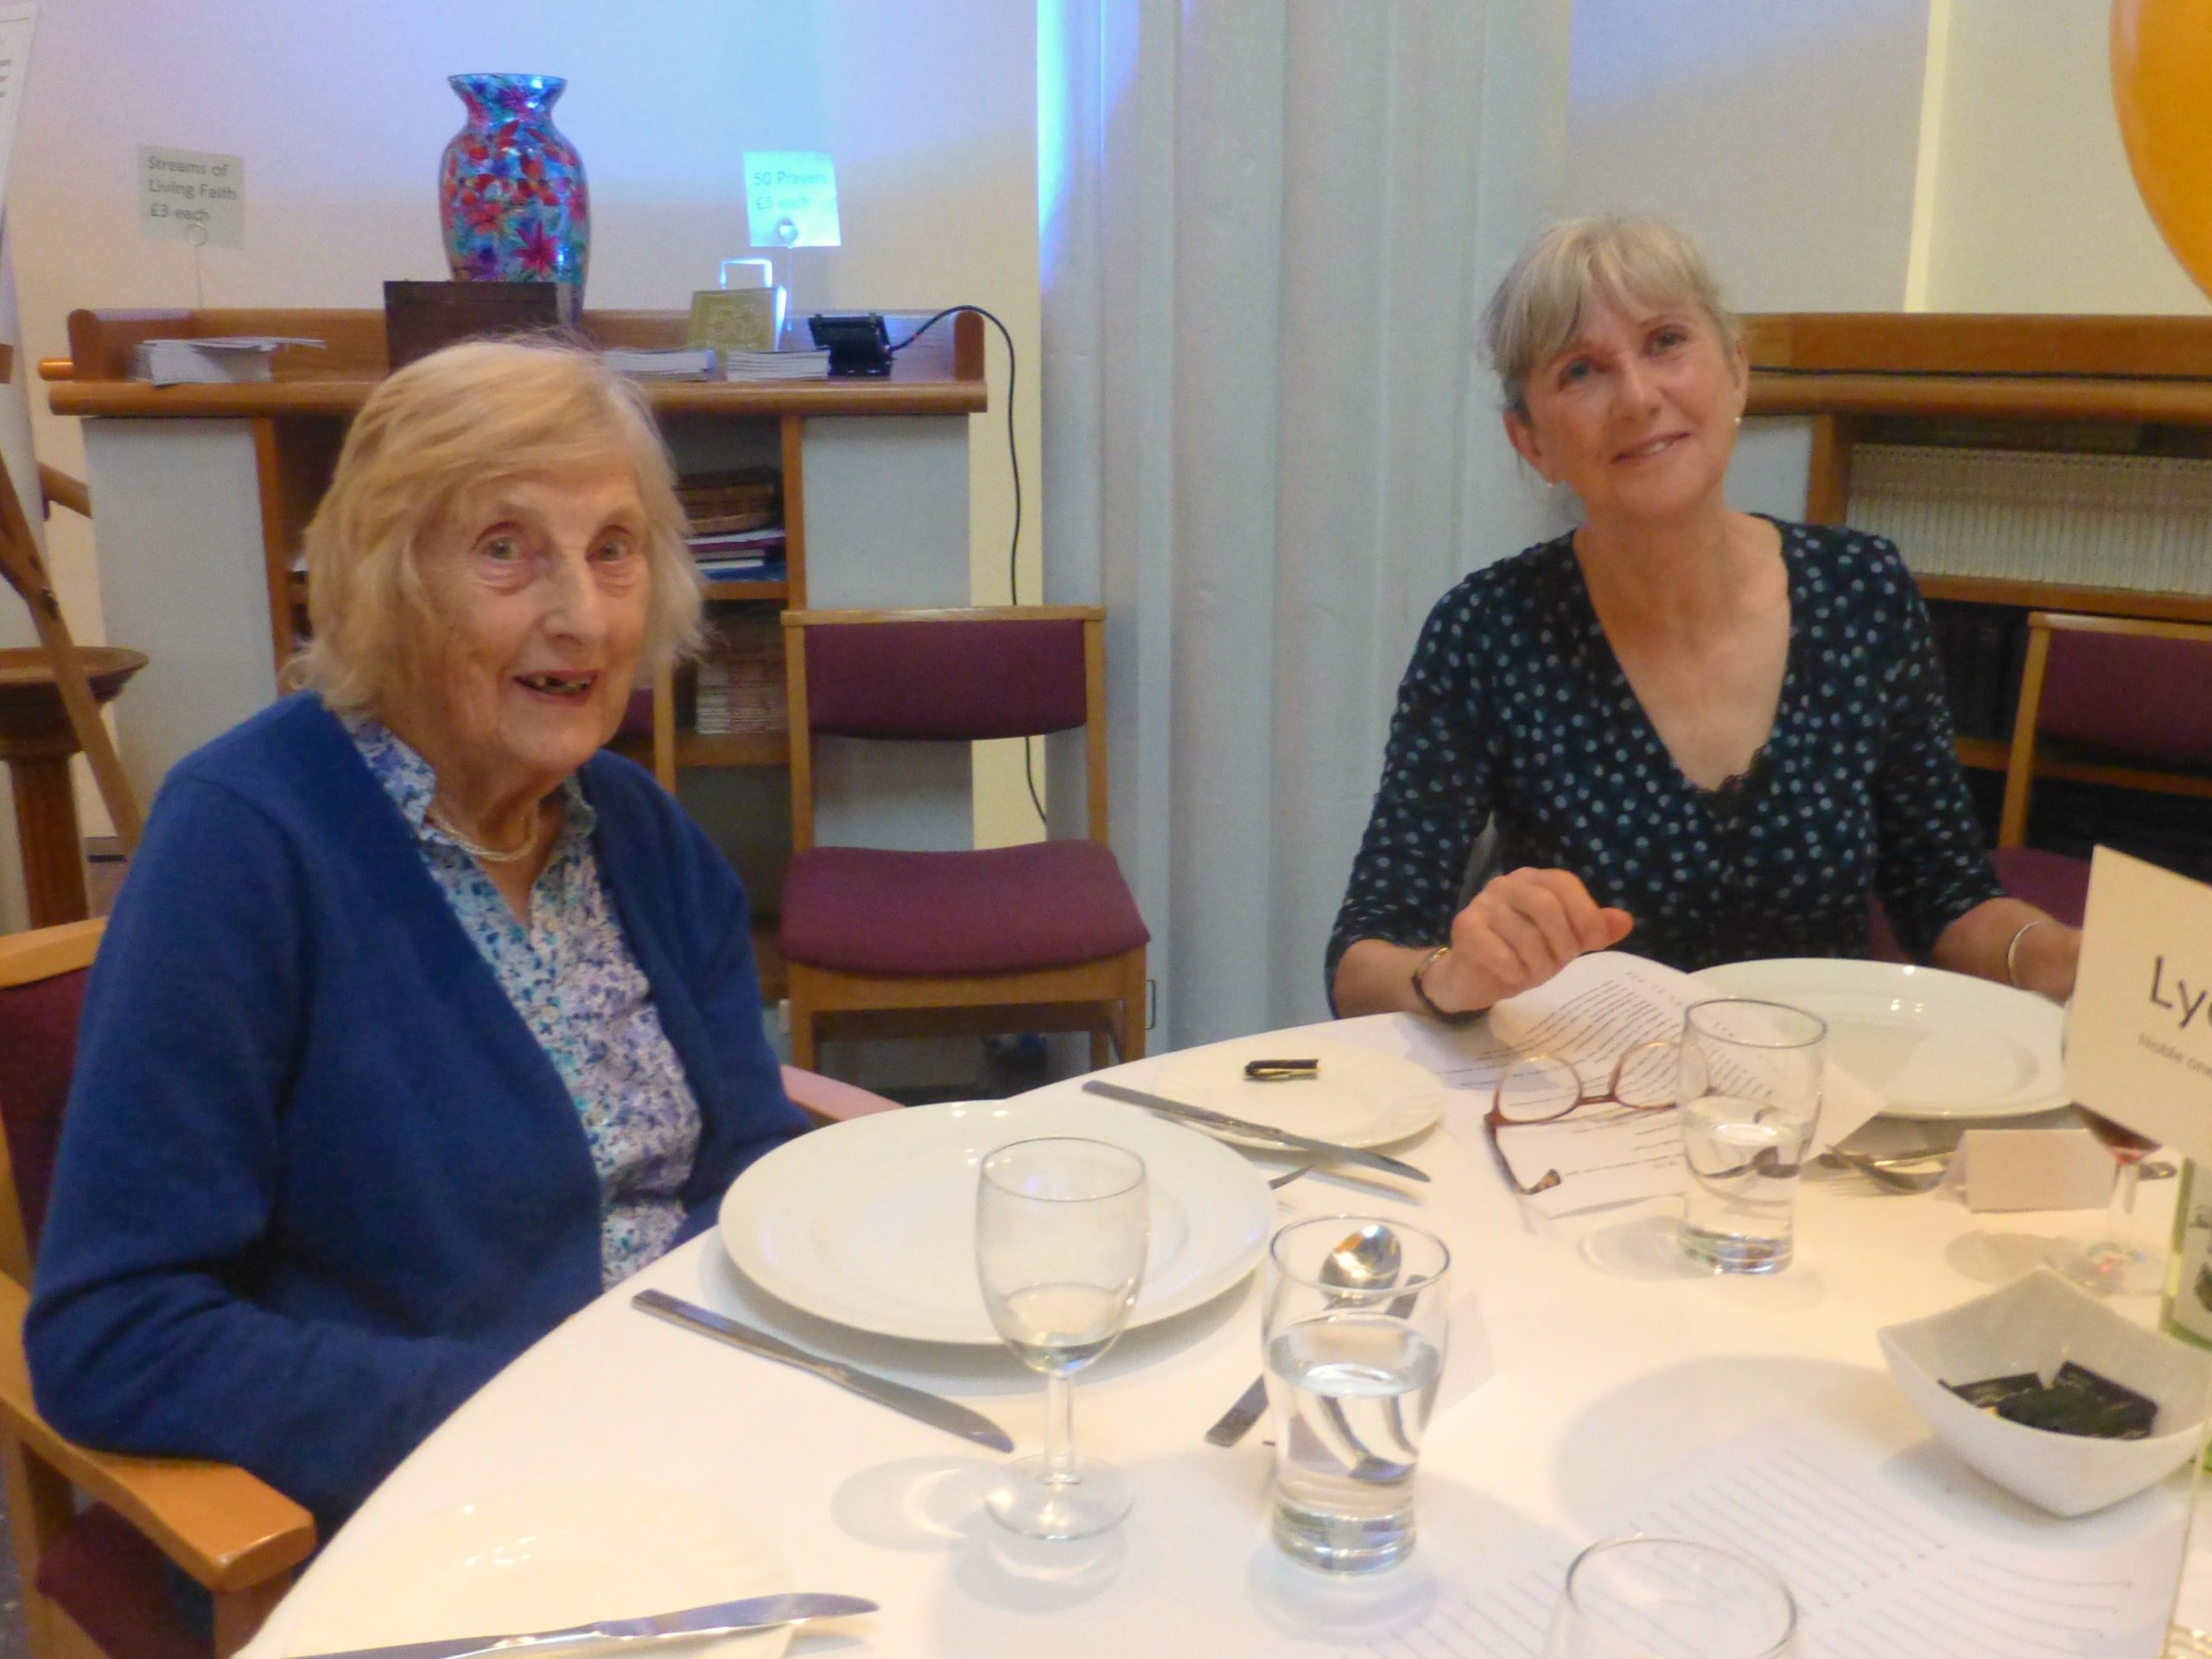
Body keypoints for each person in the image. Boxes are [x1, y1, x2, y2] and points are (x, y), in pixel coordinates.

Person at [28, 340, 806, 1533]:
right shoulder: (242, 844)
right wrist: (525, 1412)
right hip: (424, 1514)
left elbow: (750, 1169)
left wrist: (710, 1374)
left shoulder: (643, 836)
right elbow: (116, 1331)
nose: (581, 616)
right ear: (389, 580)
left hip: (696, 1448)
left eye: (612, 550)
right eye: (505, 550)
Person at [1329, 214, 2082, 1022]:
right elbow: (1362, 959)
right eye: (1581, 370)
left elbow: (1945, 898)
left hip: (1819, 1083)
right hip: (1591, 1088)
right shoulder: (1485, 631)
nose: (1638, 397)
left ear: (1736, 373)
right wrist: (1449, 974)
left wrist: (2055, 955)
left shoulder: (1863, 591)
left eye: (1665, 342)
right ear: (1532, 441)